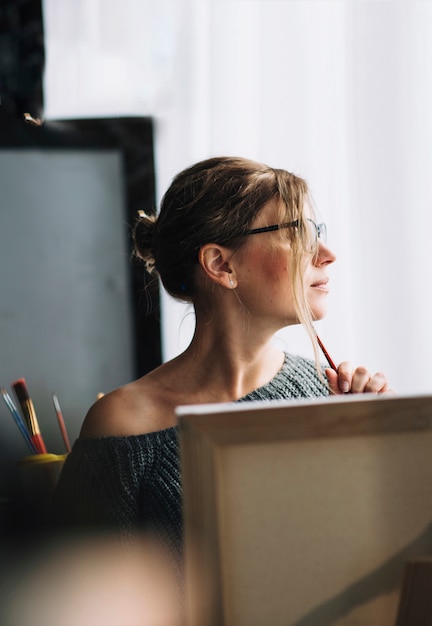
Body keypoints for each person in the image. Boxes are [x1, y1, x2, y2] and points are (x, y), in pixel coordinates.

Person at [51, 156, 390, 562]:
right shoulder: (122, 427)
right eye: (297, 233)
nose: (327, 254)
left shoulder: (329, 394)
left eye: (317, 232)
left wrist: (377, 439)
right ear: (221, 264)